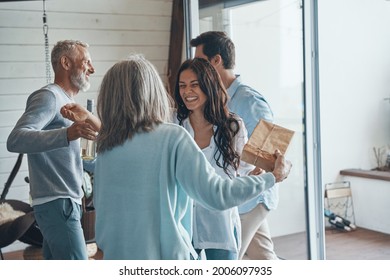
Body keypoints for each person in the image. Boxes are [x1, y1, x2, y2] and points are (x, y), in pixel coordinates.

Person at [60, 54, 292, 260]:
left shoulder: (108, 147)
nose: (186, 91)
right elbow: (217, 195)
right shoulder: (172, 136)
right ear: (151, 92)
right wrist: (272, 177)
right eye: (182, 85)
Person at [191, 31, 279, 260]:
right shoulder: (211, 99)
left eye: (200, 61)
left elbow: (269, 151)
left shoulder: (248, 100)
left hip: (250, 199)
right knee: (264, 258)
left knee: (229, 260)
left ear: (216, 60)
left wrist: (244, 177)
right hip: (234, 198)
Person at [7, 40, 96, 260]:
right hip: (57, 202)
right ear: (65, 62)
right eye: (86, 62)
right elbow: (16, 140)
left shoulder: (69, 102)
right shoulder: (49, 96)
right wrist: (67, 134)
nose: (92, 69)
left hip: (65, 202)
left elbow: (69, 155)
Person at [173, 58, 260, 260]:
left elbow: (243, 172)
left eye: (194, 85)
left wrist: (255, 176)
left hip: (220, 225)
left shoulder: (232, 127)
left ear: (209, 85)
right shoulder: (174, 124)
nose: (187, 92)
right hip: (182, 225)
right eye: (182, 86)